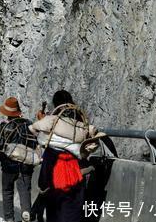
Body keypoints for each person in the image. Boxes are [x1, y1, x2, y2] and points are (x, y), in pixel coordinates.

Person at [29, 90, 100, 222]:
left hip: (54, 166)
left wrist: (42, 119)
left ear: (56, 103)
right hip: (76, 169)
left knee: (54, 209)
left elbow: (33, 128)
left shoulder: (53, 120)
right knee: (73, 208)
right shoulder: (80, 120)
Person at [0, 97, 35, 222]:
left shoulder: (3, 127)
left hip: (8, 166)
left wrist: (3, 159)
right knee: (25, 190)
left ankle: (9, 218)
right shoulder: (28, 125)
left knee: (7, 191)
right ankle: (26, 212)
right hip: (26, 165)